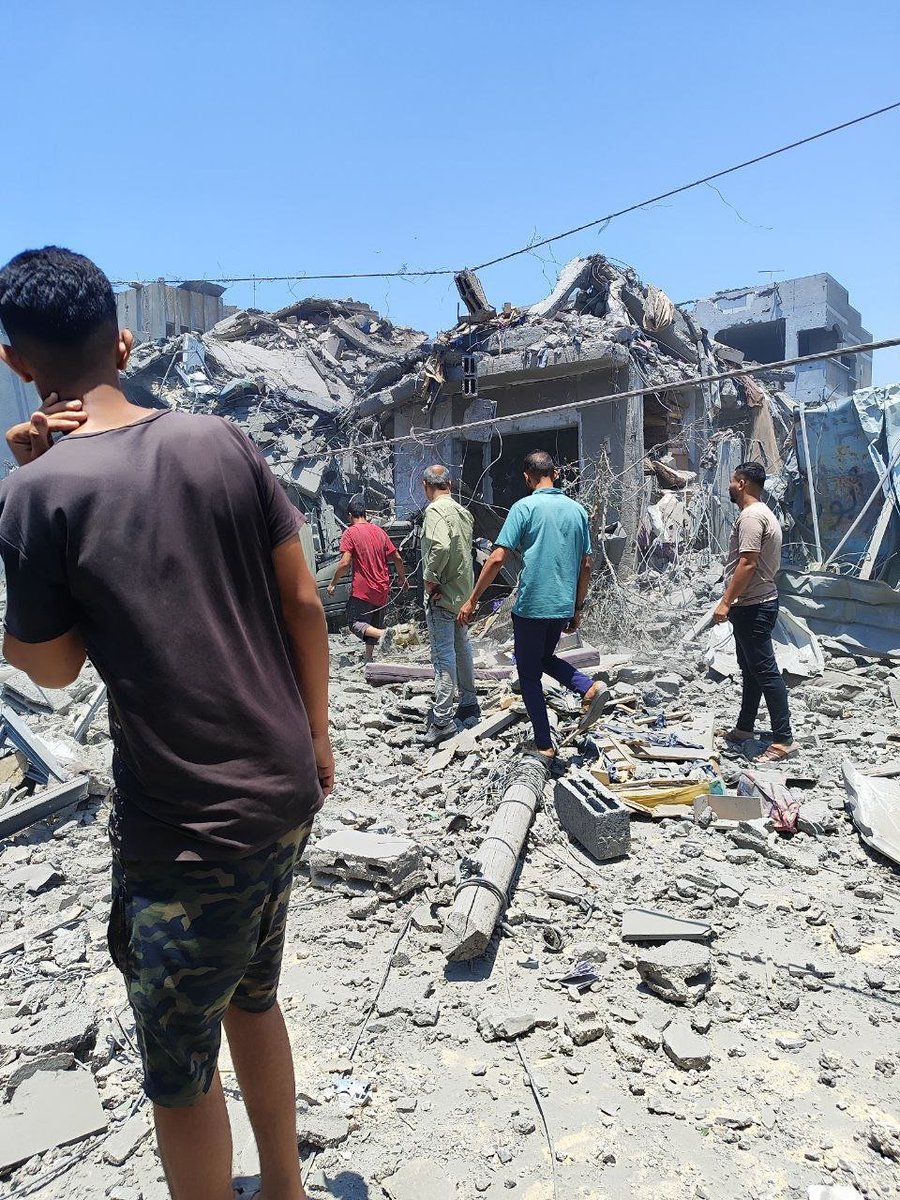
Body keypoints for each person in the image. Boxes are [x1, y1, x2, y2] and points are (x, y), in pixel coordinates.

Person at [0, 246, 332, 1200]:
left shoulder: (34, 496)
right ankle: (284, 1188)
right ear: (124, 338)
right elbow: (304, 605)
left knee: (178, 1076)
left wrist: (24, 500)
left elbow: (52, 669)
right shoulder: (220, 443)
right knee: (254, 1002)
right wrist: (317, 739)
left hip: (186, 828)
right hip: (283, 788)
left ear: (19, 365)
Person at [459, 450, 602, 758]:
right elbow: (587, 563)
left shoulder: (523, 507)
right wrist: (577, 607)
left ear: (527, 477)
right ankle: (586, 687)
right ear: (556, 473)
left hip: (533, 604)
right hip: (562, 603)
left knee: (528, 673)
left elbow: (497, 557)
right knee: (542, 657)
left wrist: (472, 599)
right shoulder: (577, 510)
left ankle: (544, 745)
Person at [713, 460, 796, 762]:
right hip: (754, 604)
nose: (729, 486)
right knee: (751, 671)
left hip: (754, 606)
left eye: (733, 480)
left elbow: (747, 562)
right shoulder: (762, 513)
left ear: (743, 484)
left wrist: (725, 601)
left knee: (766, 672)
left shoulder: (751, 516)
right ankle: (745, 728)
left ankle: (784, 740)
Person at [419, 464, 480, 747]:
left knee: (443, 657)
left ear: (425, 486)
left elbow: (441, 547)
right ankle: (469, 703)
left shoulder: (434, 511)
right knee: (461, 649)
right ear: (450, 485)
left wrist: (430, 578)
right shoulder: (462, 511)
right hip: (461, 595)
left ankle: (442, 720)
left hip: (442, 596)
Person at [327, 499, 407, 662]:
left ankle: (384, 634)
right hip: (383, 588)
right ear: (365, 514)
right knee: (372, 625)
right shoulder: (379, 532)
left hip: (363, 590)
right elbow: (397, 557)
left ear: (350, 516)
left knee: (355, 623)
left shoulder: (350, 532)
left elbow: (344, 562)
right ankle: (368, 658)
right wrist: (402, 578)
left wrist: (333, 583)